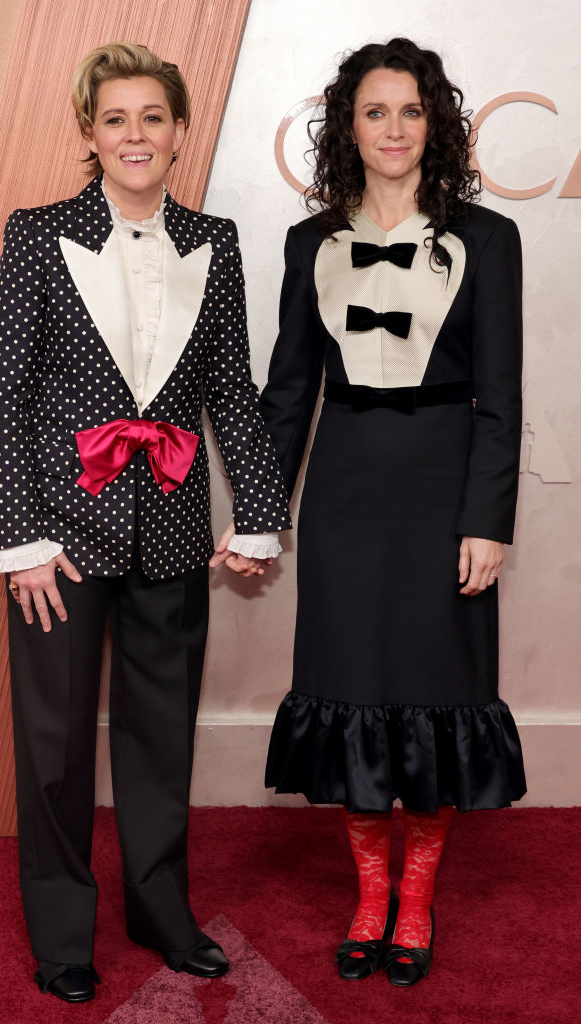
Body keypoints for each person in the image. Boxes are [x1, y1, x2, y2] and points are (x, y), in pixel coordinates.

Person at [0, 42, 291, 1003]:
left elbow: (231, 396)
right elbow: (6, 399)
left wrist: (260, 514)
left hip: (168, 526)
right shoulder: (37, 234)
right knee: (56, 744)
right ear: (90, 131)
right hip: (58, 544)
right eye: (115, 118)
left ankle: (161, 911)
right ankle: (62, 930)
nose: (134, 135)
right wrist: (21, 539)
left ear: (178, 127)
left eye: (151, 117)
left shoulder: (218, 240)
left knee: (160, 737)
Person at [260, 37, 526, 986]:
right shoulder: (308, 243)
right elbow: (288, 395)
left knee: (437, 694)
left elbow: (502, 395)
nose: (393, 129)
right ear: (348, 126)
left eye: (410, 110)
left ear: (435, 123)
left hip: (442, 488)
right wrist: (261, 513)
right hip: (341, 494)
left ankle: (414, 901)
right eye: (375, 111)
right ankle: (368, 895)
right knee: (353, 694)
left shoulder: (488, 238)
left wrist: (486, 520)